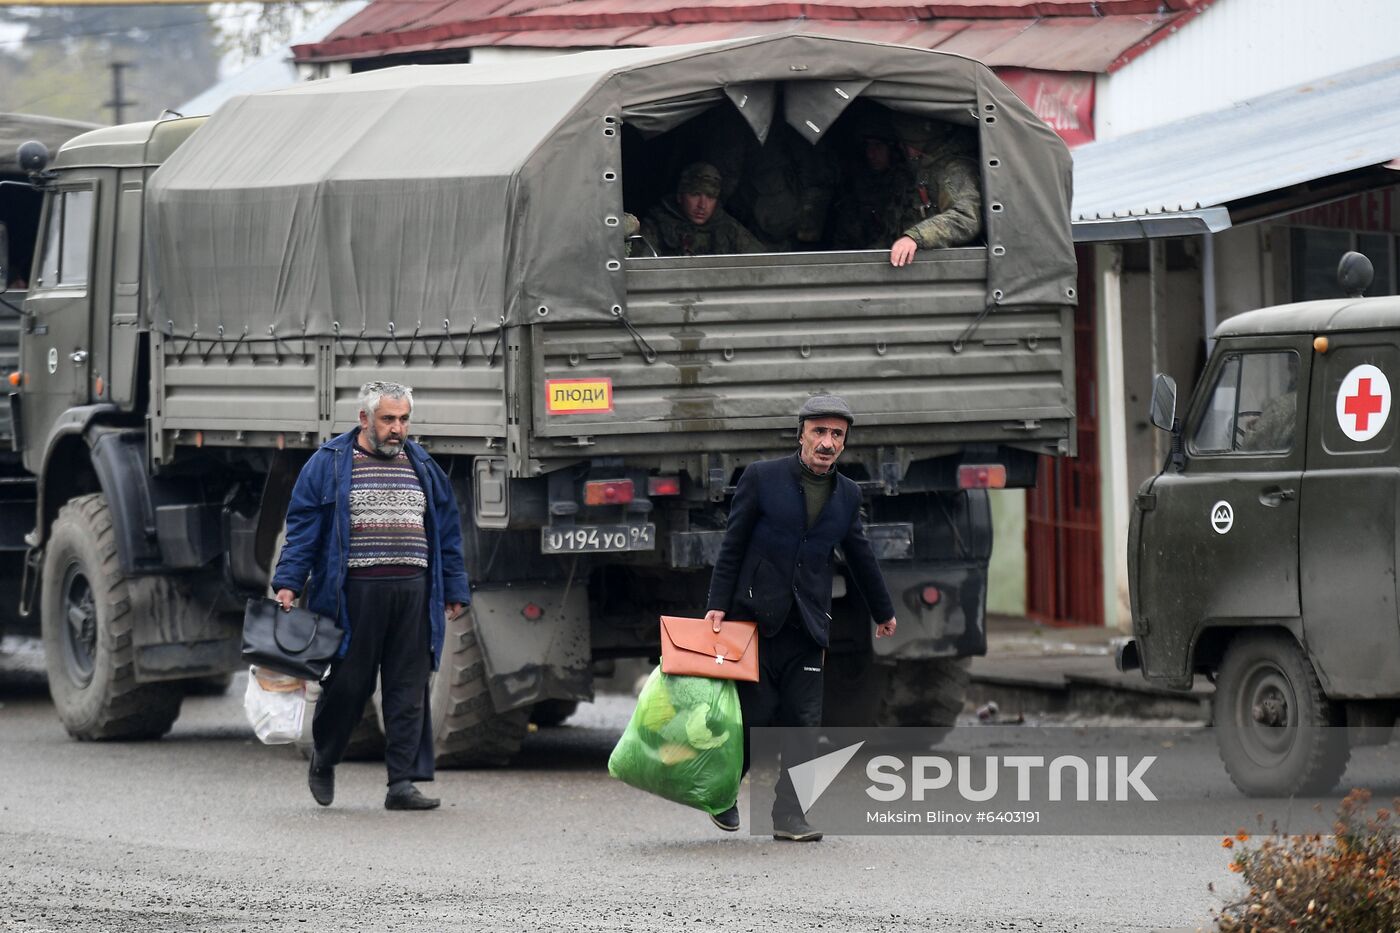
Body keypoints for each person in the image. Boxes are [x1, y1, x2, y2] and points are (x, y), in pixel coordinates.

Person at [703, 394, 897, 842]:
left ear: (844, 443)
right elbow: (732, 544)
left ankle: (790, 816)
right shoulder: (761, 478)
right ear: (801, 433)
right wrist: (717, 602)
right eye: (819, 432)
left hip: (809, 622)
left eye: (836, 436)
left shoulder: (847, 495)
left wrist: (882, 610)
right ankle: (722, 792)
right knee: (755, 717)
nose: (827, 443)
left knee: (804, 722)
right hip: (755, 620)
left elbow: (860, 555)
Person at [272, 381, 469, 811]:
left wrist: (453, 587)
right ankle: (324, 758)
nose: (397, 429)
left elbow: (448, 531)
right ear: (365, 419)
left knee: (408, 688)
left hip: (413, 593)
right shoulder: (330, 464)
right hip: (354, 595)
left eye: (403, 420)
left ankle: (402, 784)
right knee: (347, 685)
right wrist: (288, 580)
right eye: (388, 419)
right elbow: (303, 526)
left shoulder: (422, 464)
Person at [635, 162, 766, 257]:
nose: (702, 205)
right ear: (680, 196)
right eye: (695, 194)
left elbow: (763, 262)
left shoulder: (728, 227)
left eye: (710, 197)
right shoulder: (657, 224)